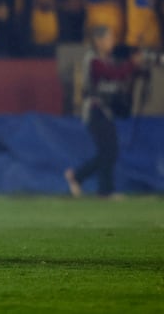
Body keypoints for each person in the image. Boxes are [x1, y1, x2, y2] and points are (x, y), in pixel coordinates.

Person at [65, 25, 140, 198]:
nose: (112, 42)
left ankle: (79, 177)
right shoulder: (94, 60)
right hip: (95, 110)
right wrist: (132, 65)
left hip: (104, 110)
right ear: (98, 41)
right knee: (108, 151)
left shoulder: (105, 58)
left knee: (108, 151)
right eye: (108, 38)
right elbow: (112, 74)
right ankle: (103, 189)